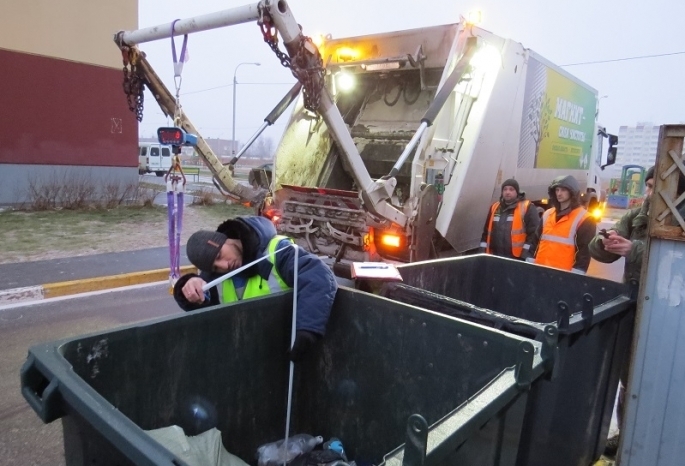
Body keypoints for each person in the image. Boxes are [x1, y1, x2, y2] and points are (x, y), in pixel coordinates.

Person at [173, 215, 338, 362]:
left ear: (225, 239)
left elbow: (318, 276)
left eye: (219, 256)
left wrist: (307, 329)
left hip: (288, 353)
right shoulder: (217, 276)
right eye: (215, 268)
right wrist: (189, 286)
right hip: (249, 358)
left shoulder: (277, 251)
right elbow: (203, 307)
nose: (224, 265)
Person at [588, 165, 654, 457]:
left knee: (656, 374)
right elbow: (598, 251)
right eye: (648, 186)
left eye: (656, 186)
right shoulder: (637, 215)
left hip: (669, 309)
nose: (650, 192)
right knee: (628, 372)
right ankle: (625, 435)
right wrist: (606, 242)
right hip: (636, 303)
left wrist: (635, 249)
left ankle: (652, 436)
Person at [532, 175, 596, 273]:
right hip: (540, 271)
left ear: (572, 192)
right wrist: (529, 264)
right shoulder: (548, 214)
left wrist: (576, 276)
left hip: (564, 276)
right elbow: (535, 242)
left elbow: (584, 253)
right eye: (557, 190)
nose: (559, 193)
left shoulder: (585, 219)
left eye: (563, 190)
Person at [480, 179, 540, 259]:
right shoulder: (494, 207)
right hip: (496, 256)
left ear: (517, 192)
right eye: (505, 189)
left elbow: (534, 234)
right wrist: (482, 250)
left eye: (511, 189)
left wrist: (525, 254)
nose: (507, 192)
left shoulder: (527, 207)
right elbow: (486, 232)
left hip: (516, 258)